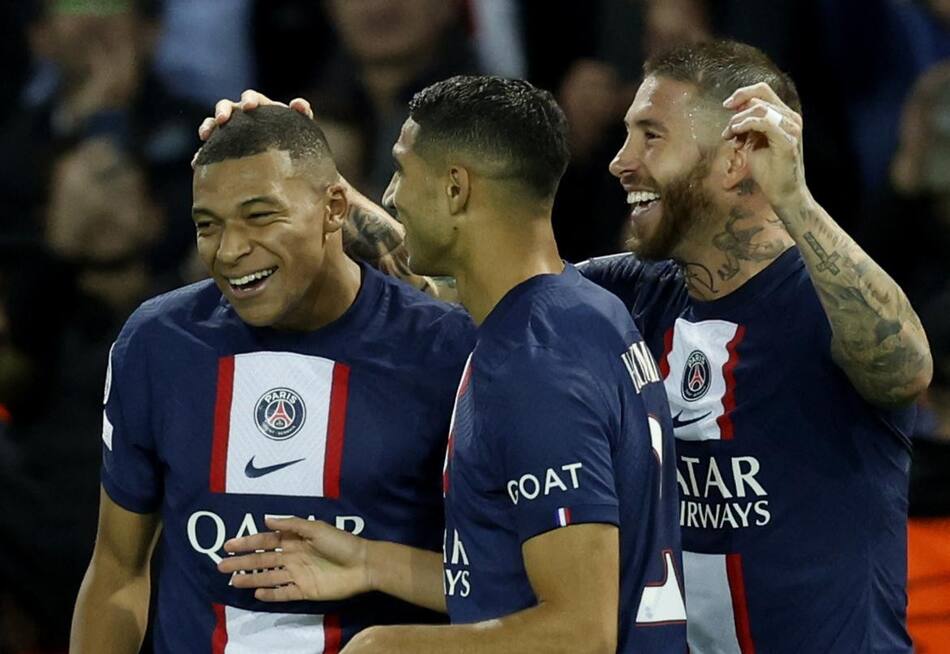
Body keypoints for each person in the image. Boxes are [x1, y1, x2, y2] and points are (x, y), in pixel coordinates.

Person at [218, 76, 686, 653]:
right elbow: (511, 584)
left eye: (402, 171)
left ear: (456, 189)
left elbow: (578, 632)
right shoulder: (581, 310)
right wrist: (370, 561)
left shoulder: (535, 369)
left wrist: (386, 647)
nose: (392, 195)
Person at [69, 106, 476, 653]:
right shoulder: (156, 344)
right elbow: (117, 572)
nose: (230, 250)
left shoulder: (449, 349)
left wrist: (376, 563)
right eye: (207, 225)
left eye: (260, 217)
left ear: (335, 208)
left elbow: (511, 588)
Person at [578, 40, 932, 652]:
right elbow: (466, 290)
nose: (621, 161)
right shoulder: (628, 293)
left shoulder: (828, 297)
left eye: (650, 136)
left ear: (738, 155)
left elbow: (904, 373)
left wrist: (795, 199)